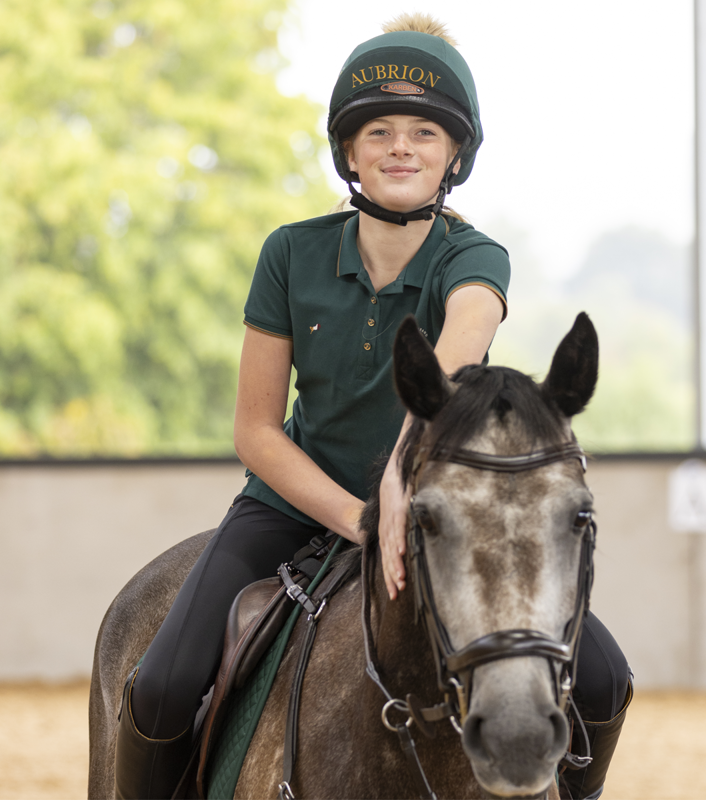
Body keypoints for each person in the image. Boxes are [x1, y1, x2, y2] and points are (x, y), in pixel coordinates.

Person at [113, 14, 629, 800]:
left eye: (424, 133)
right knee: (161, 685)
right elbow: (255, 431)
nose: (400, 148)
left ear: (455, 155)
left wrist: (399, 480)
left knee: (604, 680)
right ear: (348, 153)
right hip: (289, 504)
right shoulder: (289, 253)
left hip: (436, 510)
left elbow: (460, 343)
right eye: (378, 131)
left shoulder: (474, 258)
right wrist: (361, 518)